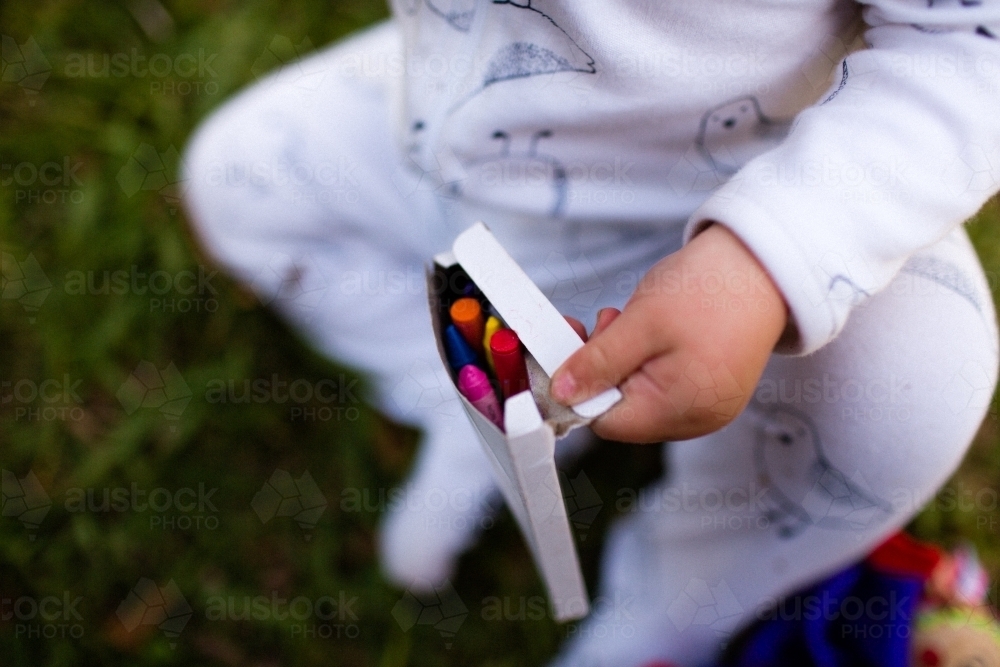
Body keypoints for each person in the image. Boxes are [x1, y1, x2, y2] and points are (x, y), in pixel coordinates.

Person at [181, 1, 1000, 664]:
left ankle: (684, 594)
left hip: (755, 183)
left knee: (913, 379)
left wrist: (764, 263)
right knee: (238, 178)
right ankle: (485, 392)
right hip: (467, 135)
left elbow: (972, 40)